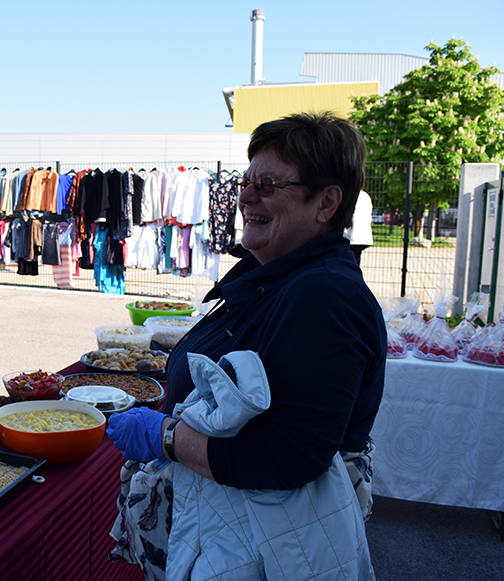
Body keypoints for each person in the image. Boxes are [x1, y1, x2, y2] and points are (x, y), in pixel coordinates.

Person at [107, 112, 386, 580]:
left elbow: (290, 456)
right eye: (247, 181)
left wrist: (168, 436)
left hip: (266, 545)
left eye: (270, 183)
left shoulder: (325, 295)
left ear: (327, 202)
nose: (246, 197)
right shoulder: (281, 277)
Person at [345, 189, 374, 265]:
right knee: (355, 261)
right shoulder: (365, 196)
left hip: (349, 235)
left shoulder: (347, 195)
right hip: (362, 235)